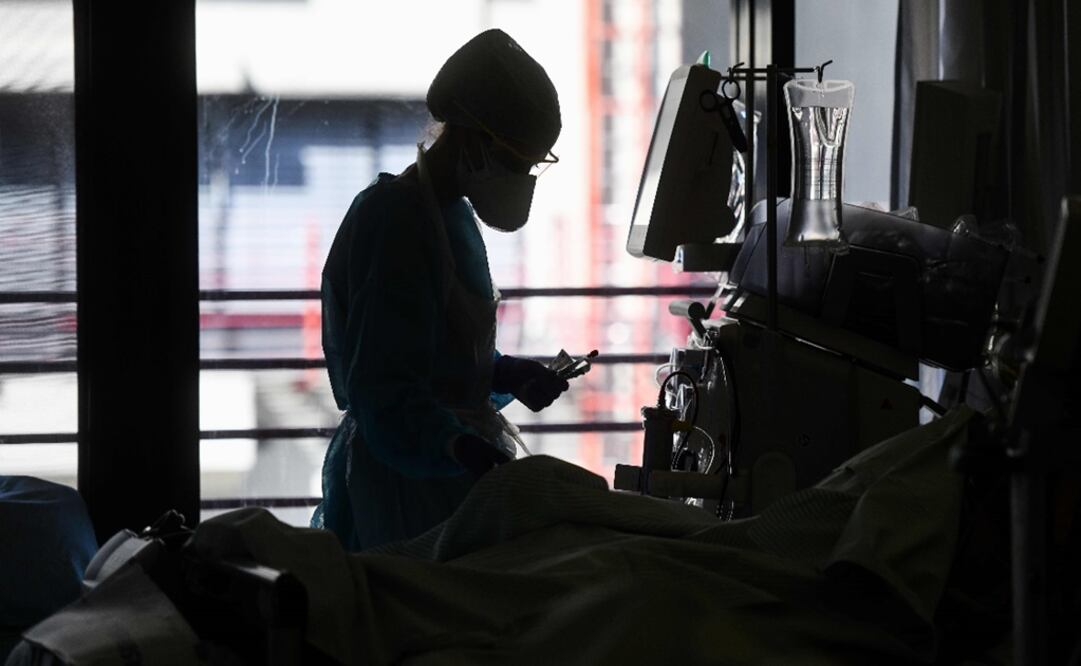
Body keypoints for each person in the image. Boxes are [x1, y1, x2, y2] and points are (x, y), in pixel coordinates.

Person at [311, 29, 570, 551]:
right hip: (404, 484)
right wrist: (456, 445)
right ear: (473, 138)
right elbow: (384, 389)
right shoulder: (396, 219)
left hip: (437, 473)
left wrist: (506, 372)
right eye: (519, 162)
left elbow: (438, 353)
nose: (524, 178)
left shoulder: (448, 217)